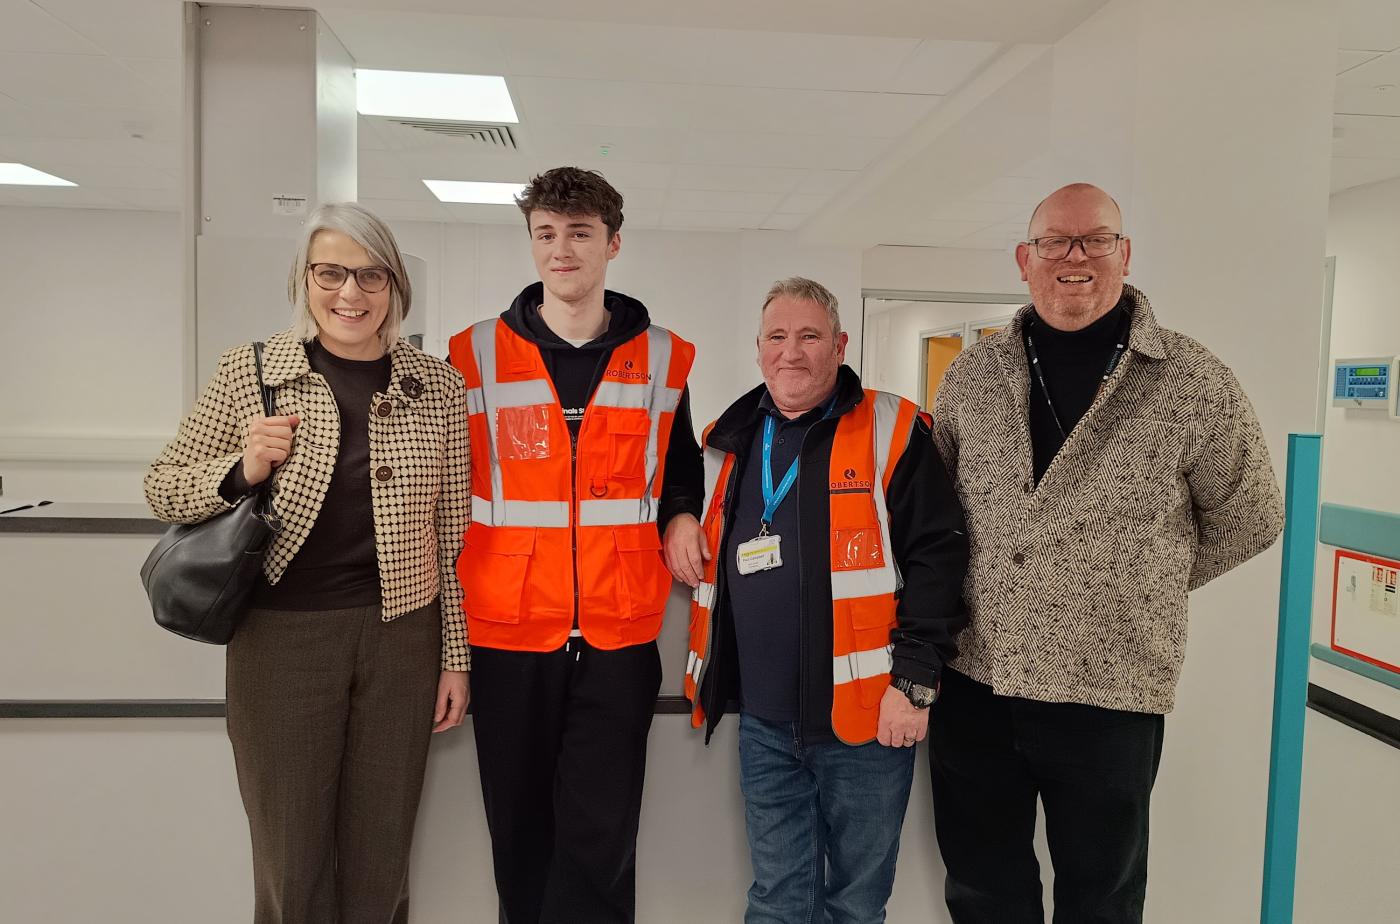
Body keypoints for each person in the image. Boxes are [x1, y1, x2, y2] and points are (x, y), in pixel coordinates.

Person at [928, 183, 1285, 923]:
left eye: (1095, 240)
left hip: (1111, 690)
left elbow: (1253, 515)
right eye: (1056, 242)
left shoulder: (1192, 381)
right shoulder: (974, 376)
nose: (1075, 257)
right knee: (981, 885)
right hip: (978, 679)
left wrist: (1137, 584)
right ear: (1026, 260)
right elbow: (939, 516)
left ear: (1124, 254)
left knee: (1103, 896)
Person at [144, 202, 471, 924]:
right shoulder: (253, 371)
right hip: (281, 643)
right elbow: (162, 484)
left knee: (380, 861)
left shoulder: (438, 386)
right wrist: (242, 468)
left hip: (401, 642)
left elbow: (451, 538)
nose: (349, 293)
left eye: (369, 275)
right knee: (291, 861)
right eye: (331, 272)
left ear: (395, 288)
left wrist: (454, 658)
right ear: (305, 278)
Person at [447, 166, 702, 924]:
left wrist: (683, 515)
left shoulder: (665, 357)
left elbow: (678, 468)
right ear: (531, 244)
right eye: (546, 234)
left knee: (603, 837)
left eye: (580, 233)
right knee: (519, 835)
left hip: (619, 636)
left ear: (612, 244)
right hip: (508, 634)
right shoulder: (472, 356)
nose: (562, 250)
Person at [673, 277, 969, 923]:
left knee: (856, 904)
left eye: (809, 336)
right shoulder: (732, 439)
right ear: (758, 350)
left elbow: (938, 558)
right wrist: (681, 519)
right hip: (766, 724)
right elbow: (690, 511)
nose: (791, 352)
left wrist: (916, 681)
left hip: (863, 723)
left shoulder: (891, 428)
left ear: (838, 345)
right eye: (777, 337)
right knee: (777, 898)